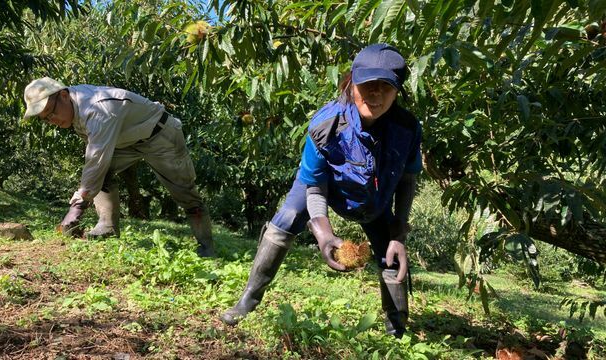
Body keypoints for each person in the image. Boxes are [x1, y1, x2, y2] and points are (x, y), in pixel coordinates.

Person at [220, 43, 422, 337]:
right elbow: (314, 185)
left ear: (397, 91)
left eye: (385, 87)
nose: (375, 94)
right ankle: (247, 301)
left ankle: (397, 324)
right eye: (367, 85)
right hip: (321, 186)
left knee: (389, 251)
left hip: (370, 199)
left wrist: (399, 234)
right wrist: (324, 234)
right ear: (352, 83)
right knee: (288, 216)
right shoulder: (325, 125)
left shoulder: (408, 130)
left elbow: (407, 181)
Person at [22, 78, 215, 257]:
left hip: (159, 135)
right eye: (45, 118)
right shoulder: (74, 108)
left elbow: (96, 158)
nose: (52, 120)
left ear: (64, 95)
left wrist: (77, 207)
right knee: (102, 174)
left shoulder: (97, 109)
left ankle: (206, 246)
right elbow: (96, 161)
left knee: (185, 193)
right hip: (124, 141)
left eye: (52, 112)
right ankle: (107, 228)